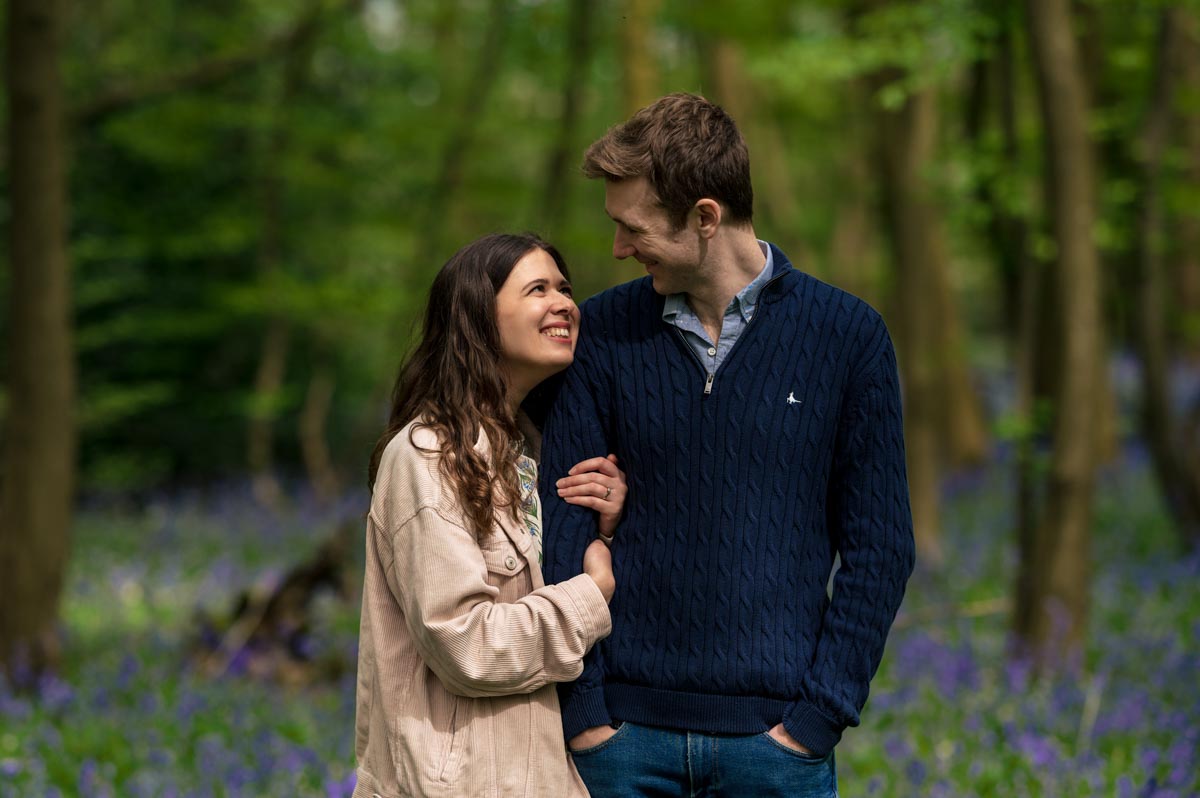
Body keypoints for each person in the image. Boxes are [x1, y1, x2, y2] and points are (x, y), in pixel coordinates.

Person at [539, 93, 916, 797]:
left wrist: (815, 721)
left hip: (775, 752)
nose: (619, 249)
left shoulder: (848, 337)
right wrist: (586, 715)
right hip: (621, 745)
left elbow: (881, 546)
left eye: (633, 229)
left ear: (705, 218)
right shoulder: (603, 336)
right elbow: (560, 525)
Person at [352, 233, 629, 798]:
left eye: (565, 288)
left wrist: (605, 529)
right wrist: (589, 594)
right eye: (538, 289)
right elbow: (466, 646)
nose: (565, 303)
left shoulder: (529, 453)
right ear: (478, 318)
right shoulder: (427, 458)